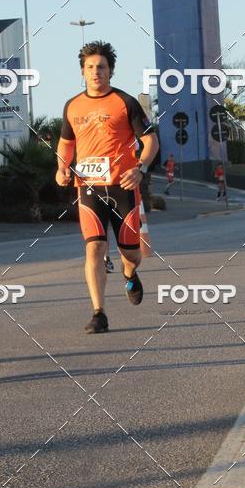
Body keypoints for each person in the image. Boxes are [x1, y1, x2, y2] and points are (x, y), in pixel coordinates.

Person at [56, 41, 159, 333]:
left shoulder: (125, 102)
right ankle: (98, 313)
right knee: (95, 248)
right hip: (88, 188)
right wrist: (61, 168)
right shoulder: (73, 105)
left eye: (101, 66)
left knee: (132, 255)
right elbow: (66, 144)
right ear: (82, 72)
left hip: (122, 187)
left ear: (110, 70)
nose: (95, 72)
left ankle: (129, 273)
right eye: (90, 67)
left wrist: (140, 168)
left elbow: (150, 141)